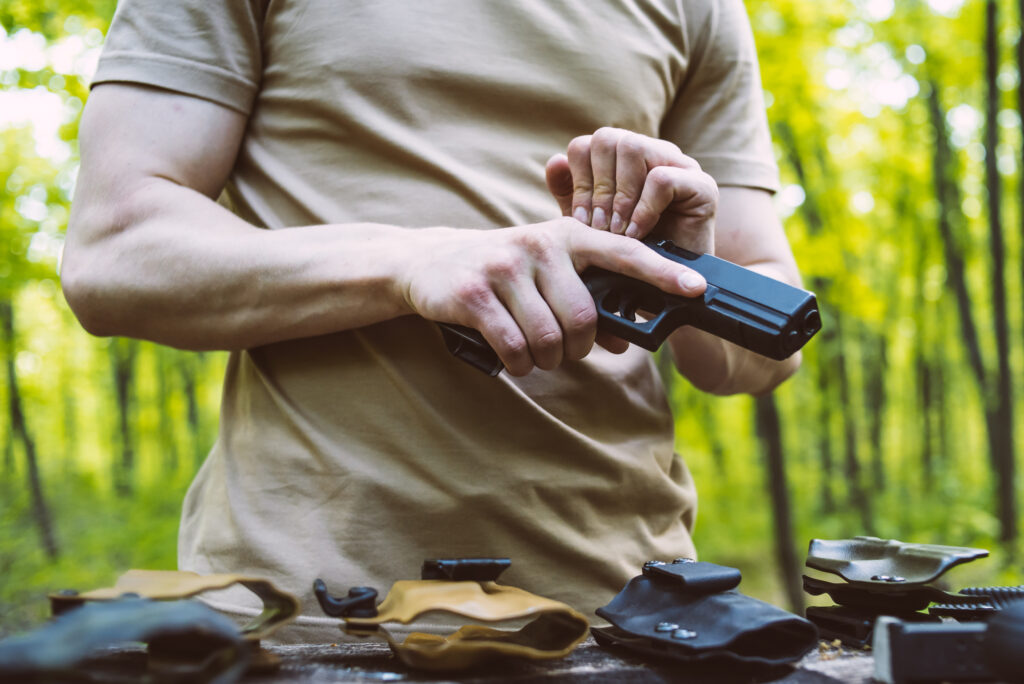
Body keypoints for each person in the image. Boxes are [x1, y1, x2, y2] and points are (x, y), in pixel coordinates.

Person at [62, 0, 804, 641]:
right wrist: (412, 265)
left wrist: (682, 271)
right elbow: (116, 255)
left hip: (629, 613)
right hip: (306, 614)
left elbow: (769, 349)